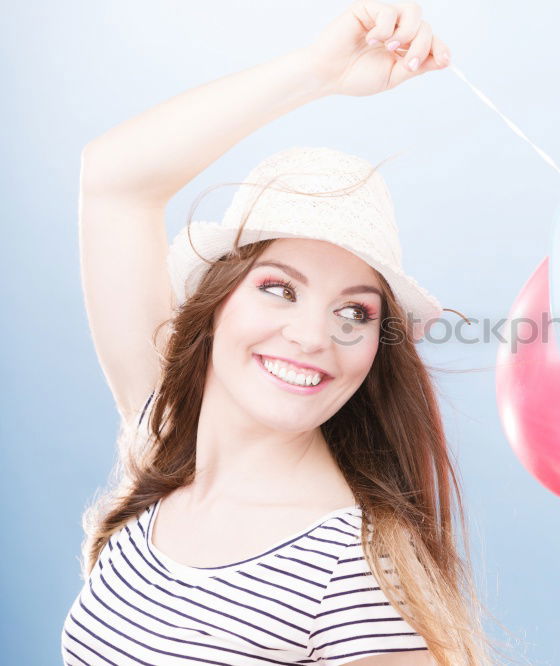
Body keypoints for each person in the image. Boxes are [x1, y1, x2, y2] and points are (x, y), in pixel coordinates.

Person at [63, 2, 517, 664]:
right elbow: (113, 181)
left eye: (355, 313)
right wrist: (316, 71)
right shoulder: (162, 436)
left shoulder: (356, 580)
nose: (312, 336)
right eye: (279, 289)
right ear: (217, 303)